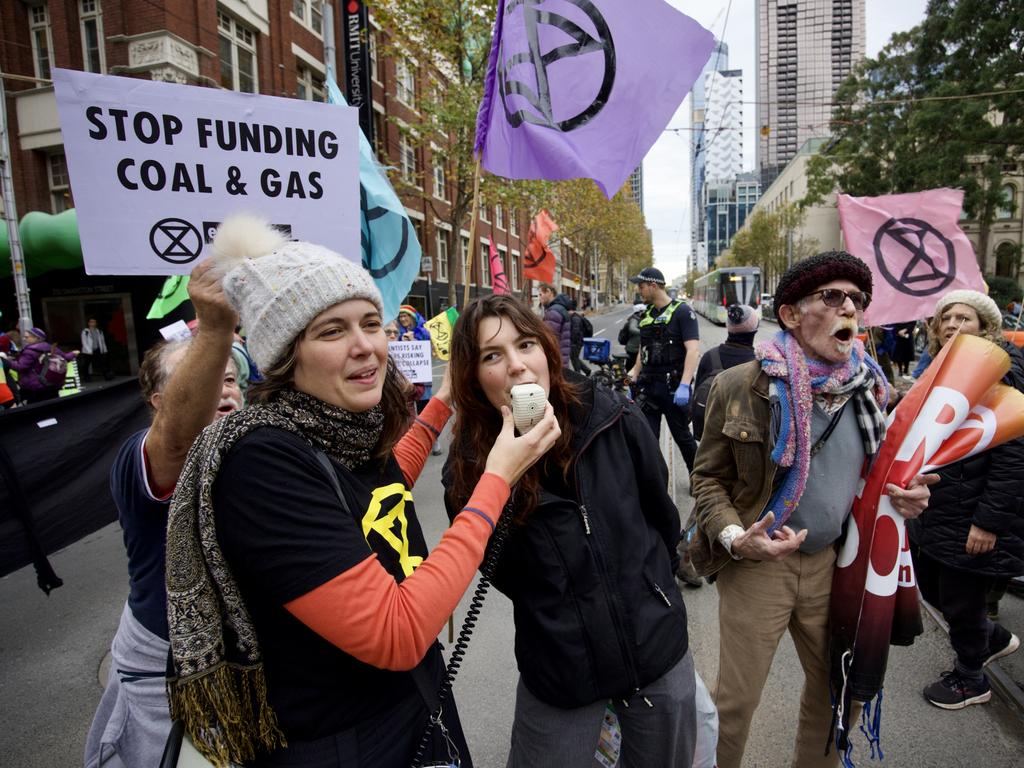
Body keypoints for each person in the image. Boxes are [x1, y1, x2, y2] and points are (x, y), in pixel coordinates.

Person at [164, 214, 559, 768]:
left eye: (371, 323)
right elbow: (396, 634)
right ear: (284, 354)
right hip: (343, 741)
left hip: (412, 709)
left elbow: (381, 486)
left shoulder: (344, 432)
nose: (366, 347)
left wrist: (441, 400)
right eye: (332, 331)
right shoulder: (262, 460)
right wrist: (497, 478)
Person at [689, 251, 935, 768]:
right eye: (832, 297)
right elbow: (708, 479)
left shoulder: (873, 390)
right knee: (735, 703)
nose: (849, 308)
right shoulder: (740, 387)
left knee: (837, 694)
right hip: (758, 570)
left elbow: (881, 479)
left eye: (857, 300)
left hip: (832, 566)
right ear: (792, 315)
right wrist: (736, 537)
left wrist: (906, 497)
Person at [444, 294, 697, 768]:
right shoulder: (471, 471)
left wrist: (652, 593)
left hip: (655, 649)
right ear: (474, 378)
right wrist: (506, 477)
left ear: (547, 349)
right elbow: (502, 573)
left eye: (525, 345)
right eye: (492, 356)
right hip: (559, 671)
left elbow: (662, 519)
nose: (517, 366)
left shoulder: (613, 416)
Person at [84, 260, 243, 768]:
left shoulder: (257, 451)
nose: (224, 388)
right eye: (206, 376)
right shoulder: (142, 461)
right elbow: (178, 439)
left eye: (232, 377)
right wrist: (216, 329)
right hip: (170, 672)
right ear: (160, 401)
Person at [908, 289, 1024, 710]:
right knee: (932, 589)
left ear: (985, 327)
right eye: (947, 318)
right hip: (939, 510)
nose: (954, 325)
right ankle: (993, 639)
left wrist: (988, 522)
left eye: (965, 318)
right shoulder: (945, 371)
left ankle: (971, 679)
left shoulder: (1000, 376)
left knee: (962, 599)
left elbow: (1014, 455)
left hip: (973, 514)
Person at [626, 267, 700, 473]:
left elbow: (693, 350)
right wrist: (631, 376)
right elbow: (643, 351)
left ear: (653, 285)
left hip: (673, 389)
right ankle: (656, 484)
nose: (639, 290)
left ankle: (699, 480)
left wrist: (685, 385)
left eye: (641, 286)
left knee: (683, 437)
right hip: (648, 389)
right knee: (648, 441)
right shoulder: (646, 314)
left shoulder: (682, 312)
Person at [397, 304, 442, 455]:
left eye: (406, 316)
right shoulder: (397, 334)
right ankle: (413, 444)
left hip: (423, 380)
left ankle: (434, 441)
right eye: (401, 316)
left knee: (425, 412)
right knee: (408, 414)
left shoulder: (425, 333)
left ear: (413, 318)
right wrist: (401, 342)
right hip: (406, 381)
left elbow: (433, 353)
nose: (403, 319)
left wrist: (415, 340)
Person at [8, 326, 77, 404]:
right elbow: (65, 357)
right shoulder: (51, 348)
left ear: (36, 338)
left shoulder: (29, 351)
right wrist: (73, 354)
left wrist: (7, 361)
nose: (24, 339)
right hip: (53, 384)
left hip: (36, 387)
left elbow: (21, 367)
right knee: (53, 407)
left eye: (27, 337)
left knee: (36, 410)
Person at [538, 282, 573, 363]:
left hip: (556, 361)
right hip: (562, 359)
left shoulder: (553, 312)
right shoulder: (559, 308)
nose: (539, 298)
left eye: (540, 294)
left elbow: (547, 339)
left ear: (548, 292)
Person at [80, 317, 113, 381]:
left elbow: (102, 341)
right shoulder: (85, 331)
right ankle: (86, 377)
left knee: (102, 362)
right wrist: (88, 350)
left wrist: (104, 350)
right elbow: (84, 342)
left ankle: (106, 375)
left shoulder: (99, 331)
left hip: (97, 349)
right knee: (87, 364)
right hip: (88, 351)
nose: (93, 323)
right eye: (92, 322)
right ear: (89, 323)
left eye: (94, 322)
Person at [618, 302, 646, 371]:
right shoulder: (634, 319)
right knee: (631, 368)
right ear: (640, 311)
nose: (646, 312)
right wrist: (644, 332)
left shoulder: (640, 318)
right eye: (644, 311)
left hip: (636, 347)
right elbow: (632, 329)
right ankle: (628, 380)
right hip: (633, 349)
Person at [567, 299, 593, 376]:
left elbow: (575, 332)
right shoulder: (574, 317)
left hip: (576, 342)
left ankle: (578, 375)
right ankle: (587, 370)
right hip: (578, 341)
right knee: (574, 358)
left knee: (574, 358)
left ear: (570, 311)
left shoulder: (575, 318)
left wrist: (572, 342)